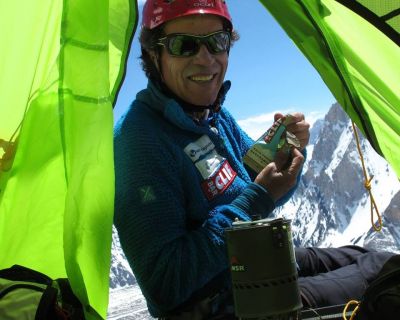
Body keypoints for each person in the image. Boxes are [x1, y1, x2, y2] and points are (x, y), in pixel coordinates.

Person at [113, 1, 394, 319]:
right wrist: (259, 198)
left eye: (216, 41)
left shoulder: (213, 116)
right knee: (384, 271)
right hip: (220, 304)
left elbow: (258, 186)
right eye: (184, 45)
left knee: (369, 256)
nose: (205, 58)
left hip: (251, 263)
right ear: (154, 55)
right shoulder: (138, 141)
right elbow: (166, 285)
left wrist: (284, 156)